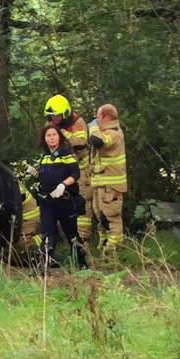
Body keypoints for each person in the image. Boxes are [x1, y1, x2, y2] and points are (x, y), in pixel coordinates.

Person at [34, 124, 88, 269]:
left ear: (59, 137)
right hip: (47, 202)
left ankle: (82, 264)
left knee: (71, 234)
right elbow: (45, 177)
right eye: (48, 135)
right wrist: (36, 175)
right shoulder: (44, 157)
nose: (51, 138)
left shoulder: (67, 153)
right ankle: (42, 267)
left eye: (54, 135)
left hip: (65, 200)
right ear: (44, 139)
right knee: (47, 233)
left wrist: (63, 184)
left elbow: (75, 174)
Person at [44, 94, 92, 240]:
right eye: (51, 116)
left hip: (81, 170)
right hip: (60, 171)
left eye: (56, 116)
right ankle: (61, 237)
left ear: (65, 113)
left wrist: (62, 133)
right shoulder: (50, 124)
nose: (54, 119)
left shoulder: (77, 122)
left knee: (83, 202)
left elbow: (81, 141)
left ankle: (83, 240)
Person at [88, 104, 127, 253]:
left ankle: (113, 250)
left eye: (98, 116)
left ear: (105, 117)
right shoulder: (105, 131)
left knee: (111, 217)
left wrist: (92, 127)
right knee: (100, 216)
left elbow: (97, 141)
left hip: (111, 185)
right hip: (101, 183)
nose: (96, 120)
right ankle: (104, 246)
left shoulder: (114, 132)